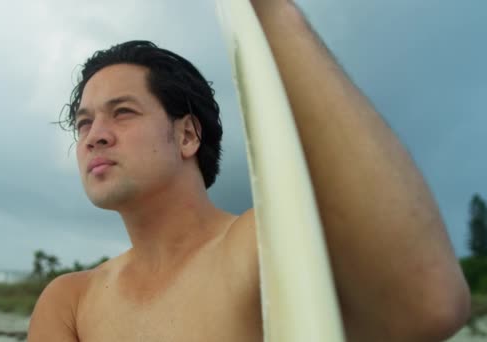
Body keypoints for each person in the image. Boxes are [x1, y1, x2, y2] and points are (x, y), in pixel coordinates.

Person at [28, 1, 470, 341]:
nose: (93, 136)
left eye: (122, 112)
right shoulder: (71, 302)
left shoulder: (258, 248)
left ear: (187, 136)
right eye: (84, 122)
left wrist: (272, 13)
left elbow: (425, 304)